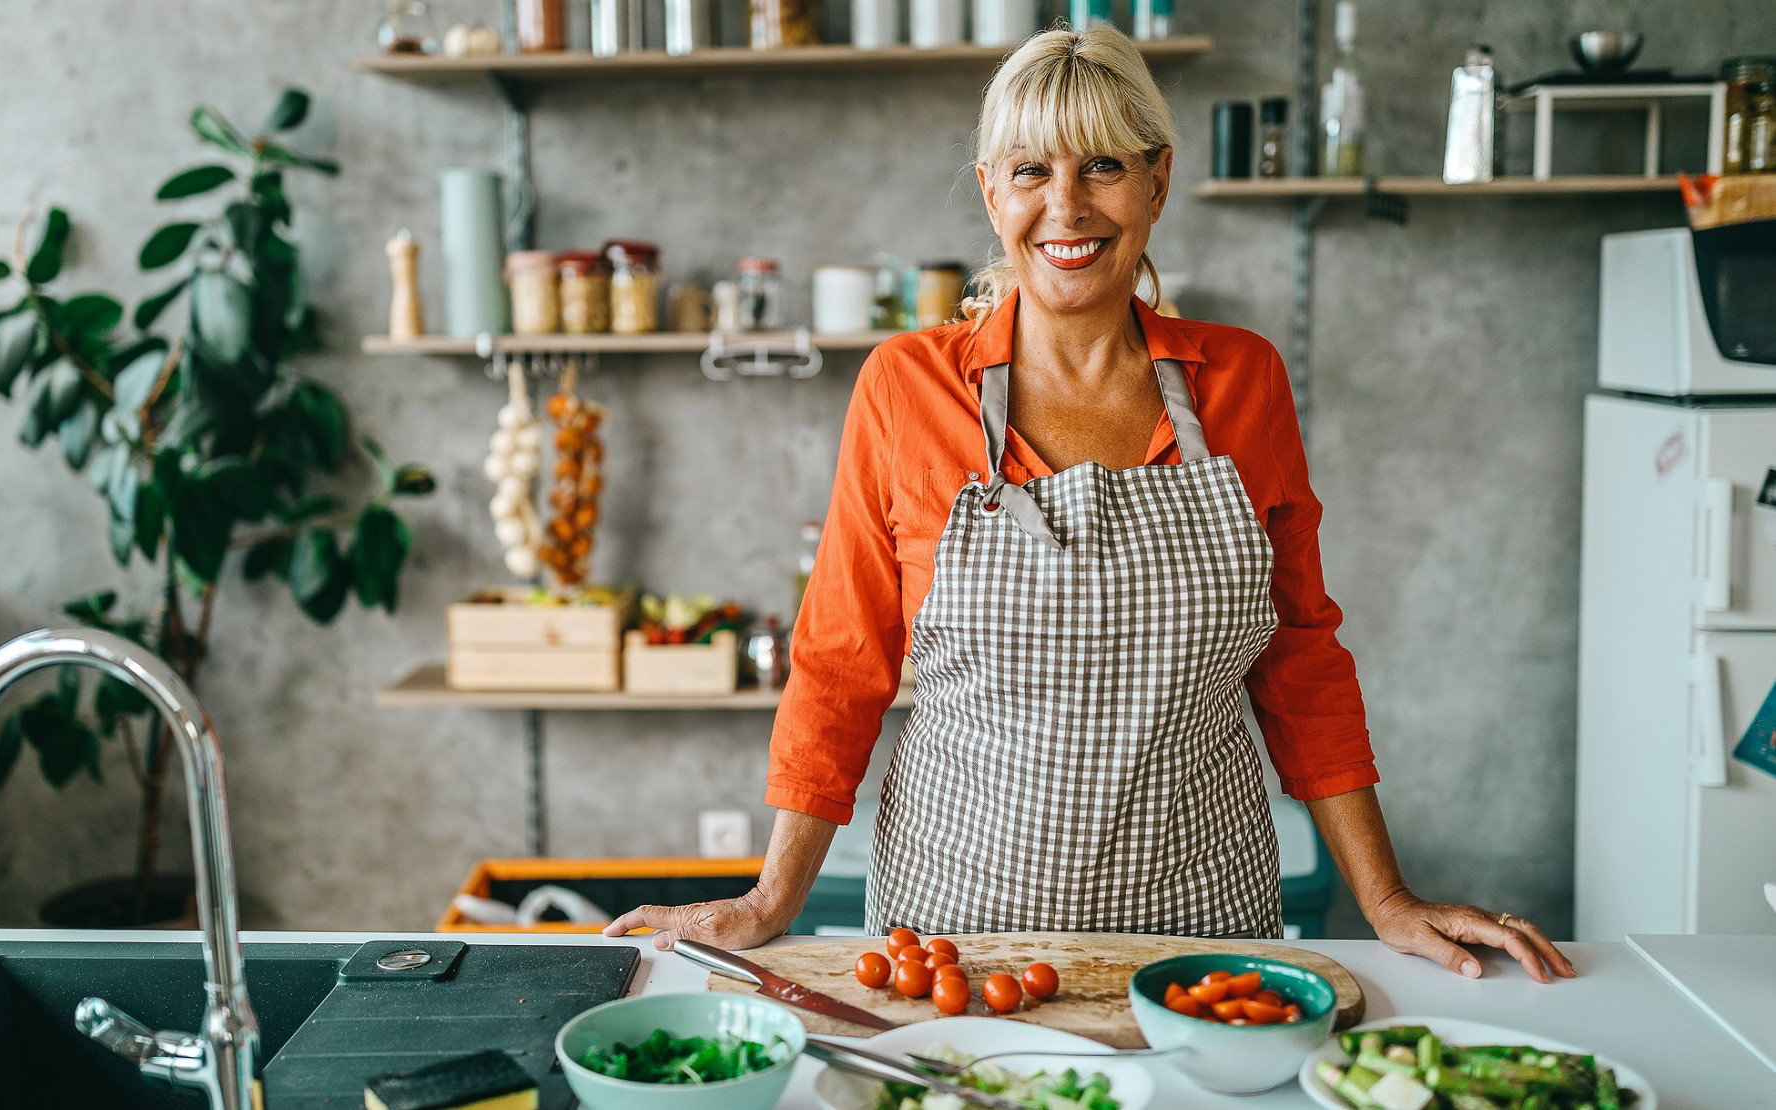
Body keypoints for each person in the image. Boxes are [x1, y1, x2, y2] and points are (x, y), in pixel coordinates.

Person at [607, 27, 1573, 983]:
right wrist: (770, 899)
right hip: (957, 926)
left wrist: (1388, 900)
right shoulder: (907, 386)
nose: (1065, 207)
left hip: (1202, 921)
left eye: (1102, 165)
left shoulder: (1242, 380)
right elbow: (843, 661)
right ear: (991, 191)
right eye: (1030, 170)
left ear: (1157, 182)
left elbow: (1300, 654)